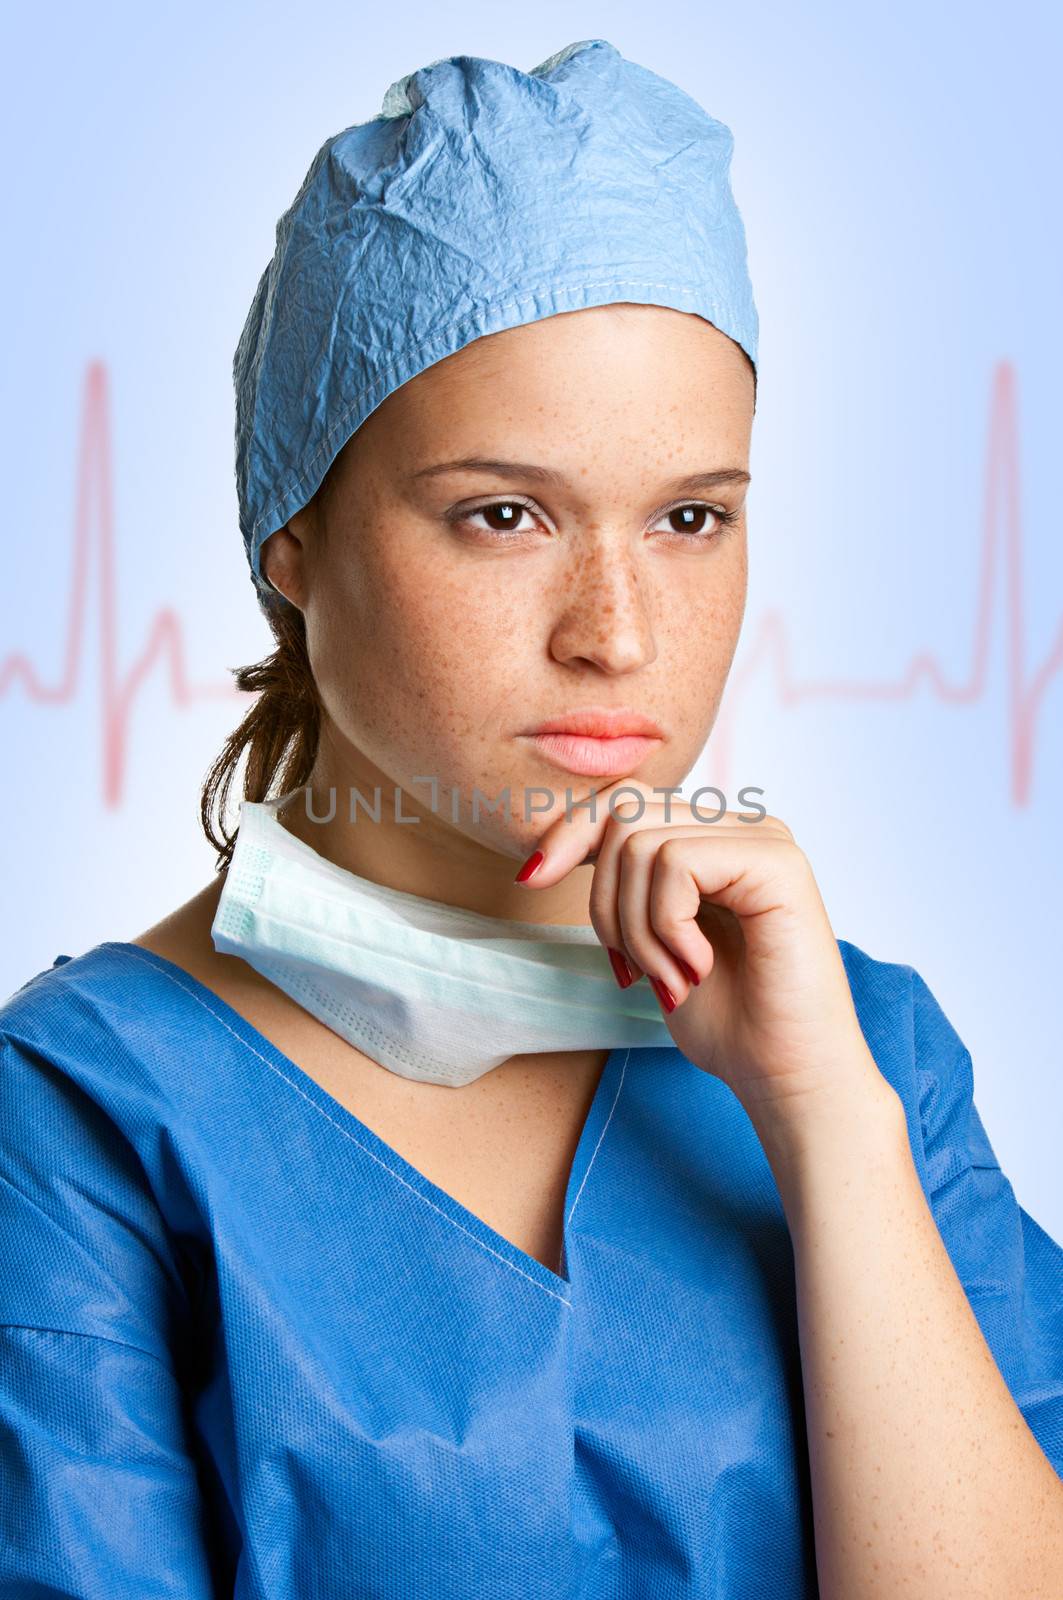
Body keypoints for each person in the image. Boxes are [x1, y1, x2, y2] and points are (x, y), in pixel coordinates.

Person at [1, 37, 1061, 1600]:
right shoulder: (87, 1115)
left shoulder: (868, 1054)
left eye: (691, 517)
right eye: (505, 514)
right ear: (290, 536)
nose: (618, 634)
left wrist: (828, 1127)